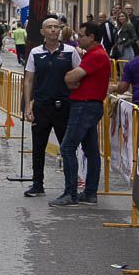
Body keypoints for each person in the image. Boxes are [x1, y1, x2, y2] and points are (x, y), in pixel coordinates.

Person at [52, 22, 112, 207]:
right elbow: (75, 78)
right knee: (91, 149)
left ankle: (71, 193)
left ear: (92, 37)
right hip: (88, 104)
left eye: (81, 35)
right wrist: (73, 79)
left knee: (67, 147)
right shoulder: (93, 54)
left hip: (85, 105)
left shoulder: (96, 55)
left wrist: (69, 78)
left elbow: (71, 77)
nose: (78, 38)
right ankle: (90, 193)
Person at [21, 17, 80, 198]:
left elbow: (80, 74)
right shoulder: (35, 53)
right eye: (49, 27)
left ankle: (71, 188)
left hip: (64, 106)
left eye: (56, 27)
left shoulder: (70, 51)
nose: (53, 30)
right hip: (42, 106)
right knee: (38, 147)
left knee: (67, 148)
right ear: (43, 32)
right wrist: (27, 106)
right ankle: (37, 184)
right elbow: (28, 80)